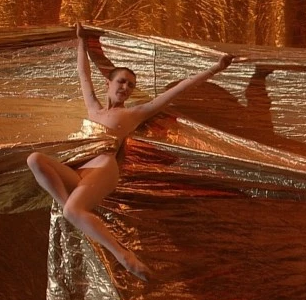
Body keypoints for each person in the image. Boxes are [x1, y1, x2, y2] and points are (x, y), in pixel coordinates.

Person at [27, 23, 233, 281]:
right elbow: (83, 75)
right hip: (80, 169)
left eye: (131, 85)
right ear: (109, 83)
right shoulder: (94, 109)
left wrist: (216, 68)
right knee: (35, 160)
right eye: (122, 81)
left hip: (104, 168)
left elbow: (178, 90)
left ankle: (123, 255)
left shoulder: (134, 113)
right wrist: (82, 41)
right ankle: (72, 210)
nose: (126, 87)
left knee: (71, 211)